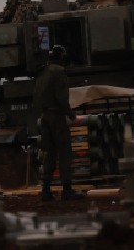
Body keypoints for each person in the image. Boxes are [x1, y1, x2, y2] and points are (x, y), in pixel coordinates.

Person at [32, 45, 84, 201]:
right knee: (65, 152)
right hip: (57, 116)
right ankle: (67, 190)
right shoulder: (59, 72)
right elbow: (61, 98)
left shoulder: (42, 72)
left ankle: (46, 190)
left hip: (44, 116)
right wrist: (71, 114)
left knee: (49, 153)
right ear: (61, 56)